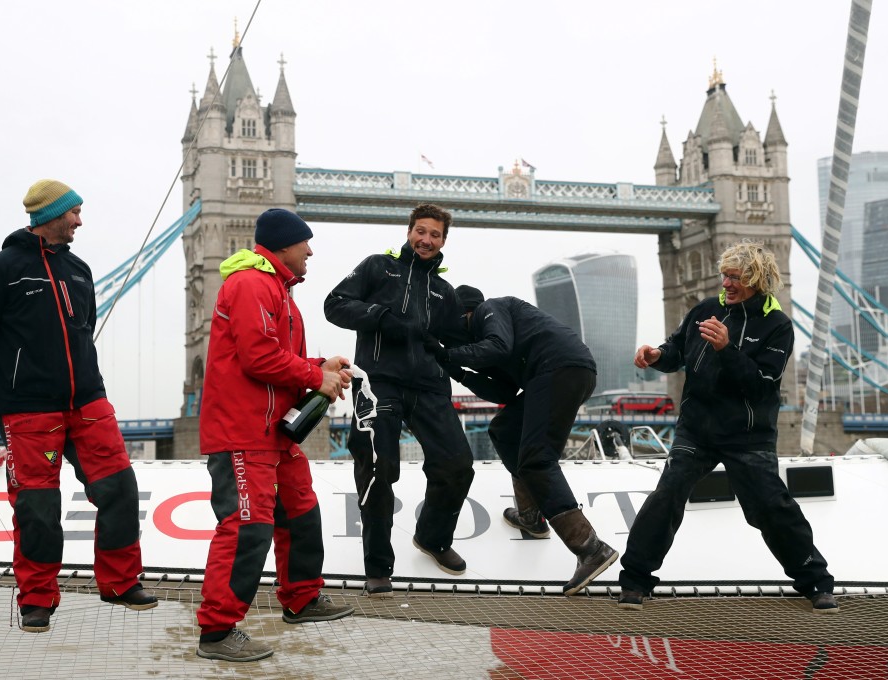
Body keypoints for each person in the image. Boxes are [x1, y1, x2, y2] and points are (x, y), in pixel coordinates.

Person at [0, 179, 158, 634]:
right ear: (49, 215)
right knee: (38, 508)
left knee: (120, 490)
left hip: (88, 404)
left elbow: (81, 334)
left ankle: (121, 583)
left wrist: (90, 383)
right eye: (74, 213)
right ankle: (37, 599)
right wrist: (2, 401)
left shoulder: (80, 270)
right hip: (28, 412)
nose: (80, 221)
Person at [617, 240, 839, 614]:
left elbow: (761, 385)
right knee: (666, 496)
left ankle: (816, 583)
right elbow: (676, 351)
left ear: (757, 278)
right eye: (724, 275)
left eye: (734, 277)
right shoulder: (706, 310)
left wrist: (727, 349)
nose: (726, 283)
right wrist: (656, 356)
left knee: (771, 507)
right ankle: (635, 581)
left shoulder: (777, 325)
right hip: (696, 431)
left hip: (747, 436)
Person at [195, 208, 355, 663]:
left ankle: (302, 599)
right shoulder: (250, 284)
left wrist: (319, 369)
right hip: (242, 431)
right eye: (305, 241)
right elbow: (258, 357)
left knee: (300, 511)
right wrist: (313, 375)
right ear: (283, 244)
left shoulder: (279, 291)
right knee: (247, 527)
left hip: (273, 431)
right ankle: (217, 631)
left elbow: (279, 360)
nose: (310, 249)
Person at [425, 286, 619, 595]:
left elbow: (499, 346)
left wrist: (446, 353)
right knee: (504, 431)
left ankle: (590, 547)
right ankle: (531, 516)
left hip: (560, 367)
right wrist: (458, 372)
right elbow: (503, 394)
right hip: (553, 374)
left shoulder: (492, 310)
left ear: (466, 314)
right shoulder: (478, 345)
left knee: (537, 459)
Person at [324, 203, 475, 597]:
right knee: (379, 469)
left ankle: (433, 538)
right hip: (378, 384)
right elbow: (334, 304)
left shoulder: (444, 292)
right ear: (409, 231)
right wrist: (379, 315)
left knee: (458, 464)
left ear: (444, 241)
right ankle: (378, 567)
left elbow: (459, 345)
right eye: (420, 231)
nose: (426, 240)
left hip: (430, 387)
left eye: (435, 235)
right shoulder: (377, 267)